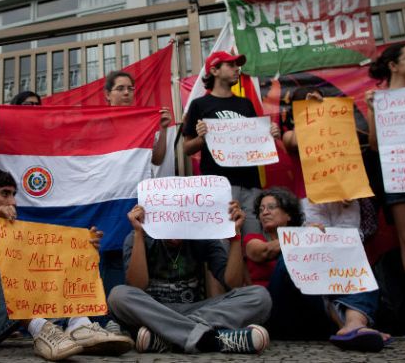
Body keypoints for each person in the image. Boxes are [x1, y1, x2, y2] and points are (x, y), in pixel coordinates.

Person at [0, 168, 133, 359]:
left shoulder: (8, 239)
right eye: (5, 194)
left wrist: (81, 249)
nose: (13, 202)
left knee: (43, 259)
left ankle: (79, 325)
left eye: (14, 195)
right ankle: (40, 328)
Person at [107, 201, 272, 354]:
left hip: (193, 312)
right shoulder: (137, 237)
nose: (174, 233)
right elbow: (137, 286)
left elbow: (233, 284)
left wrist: (236, 237)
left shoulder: (203, 238)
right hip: (155, 310)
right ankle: (213, 340)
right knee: (118, 296)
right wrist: (139, 233)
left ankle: (167, 337)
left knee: (260, 296)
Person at [246, 188, 390, 351]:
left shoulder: (308, 236)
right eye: (261, 210)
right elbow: (262, 252)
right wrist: (302, 236)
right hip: (281, 312)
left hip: (313, 312)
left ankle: (354, 325)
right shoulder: (254, 239)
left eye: (271, 207)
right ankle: (345, 321)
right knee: (291, 258)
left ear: (288, 214)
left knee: (353, 264)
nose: (265, 212)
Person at [182, 51, 281, 237]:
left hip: (251, 185)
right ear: (214, 70)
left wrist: (270, 135)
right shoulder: (199, 105)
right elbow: (187, 148)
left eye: (238, 65)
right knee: (224, 245)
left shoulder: (246, 104)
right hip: (219, 187)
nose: (237, 69)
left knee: (255, 242)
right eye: (231, 65)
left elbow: (257, 143)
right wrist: (201, 138)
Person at [365, 43, 405, 320]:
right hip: (399, 178)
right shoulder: (379, 100)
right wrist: (373, 111)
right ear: (393, 65)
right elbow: (375, 146)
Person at [99, 71, 173, 299]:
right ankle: (112, 316)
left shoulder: (143, 122)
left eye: (130, 89)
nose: (126, 93)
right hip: (108, 200)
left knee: (139, 250)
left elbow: (158, 159)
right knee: (111, 253)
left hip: (137, 199)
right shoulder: (96, 124)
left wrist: (163, 129)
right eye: (120, 88)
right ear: (107, 95)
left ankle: (138, 311)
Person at [281, 86, 375, 240]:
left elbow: (350, 162)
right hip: (311, 199)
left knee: (350, 245)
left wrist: (351, 189)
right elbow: (298, 142)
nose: (316, 105)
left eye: (319, 101)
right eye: (312, 102)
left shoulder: (339, 131)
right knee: (320, 246)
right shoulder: (289, 135)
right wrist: (305, 110)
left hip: (343, 197)